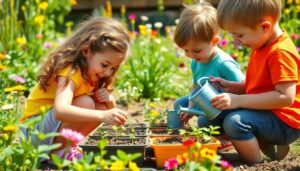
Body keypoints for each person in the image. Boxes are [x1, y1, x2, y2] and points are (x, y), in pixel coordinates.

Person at [20, 17, 130, 158]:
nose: (108, 72)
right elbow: (61, 110)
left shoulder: (92, 74)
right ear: (86, 51)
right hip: (32, 133)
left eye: (113, 68)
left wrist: (109, 102)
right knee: (86, 103)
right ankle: (58, 153)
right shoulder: (70, 71)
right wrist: (102, 115)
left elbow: (106, 110)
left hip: (47, 132)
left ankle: (66, 148)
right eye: (105, 65)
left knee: (101, 105)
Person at [211, 0, 300, 164]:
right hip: (268, 112)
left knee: (234, 123)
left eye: (239, 35)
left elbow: (285, 98)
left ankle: (259, 163)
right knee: (212, 113)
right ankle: (268, 146)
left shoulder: (280, 53)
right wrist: (233, 87)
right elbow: (261, 87)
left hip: (285, 122)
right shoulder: (261, 44)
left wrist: (238, 100)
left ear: (265, 26)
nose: (236, 41)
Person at [173, 2, 244, 151]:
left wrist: (223, 98)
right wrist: (190, 108)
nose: (191, 55)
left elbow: (244, 89)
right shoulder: (196, 61)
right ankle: (181, 136)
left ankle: (224, 138)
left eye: (196, 50)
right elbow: (196, 86)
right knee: (180, 105)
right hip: (206, 100)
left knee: (205, 119)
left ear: (214, 41)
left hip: (227, 107)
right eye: (186, 51)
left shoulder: (223, 63)